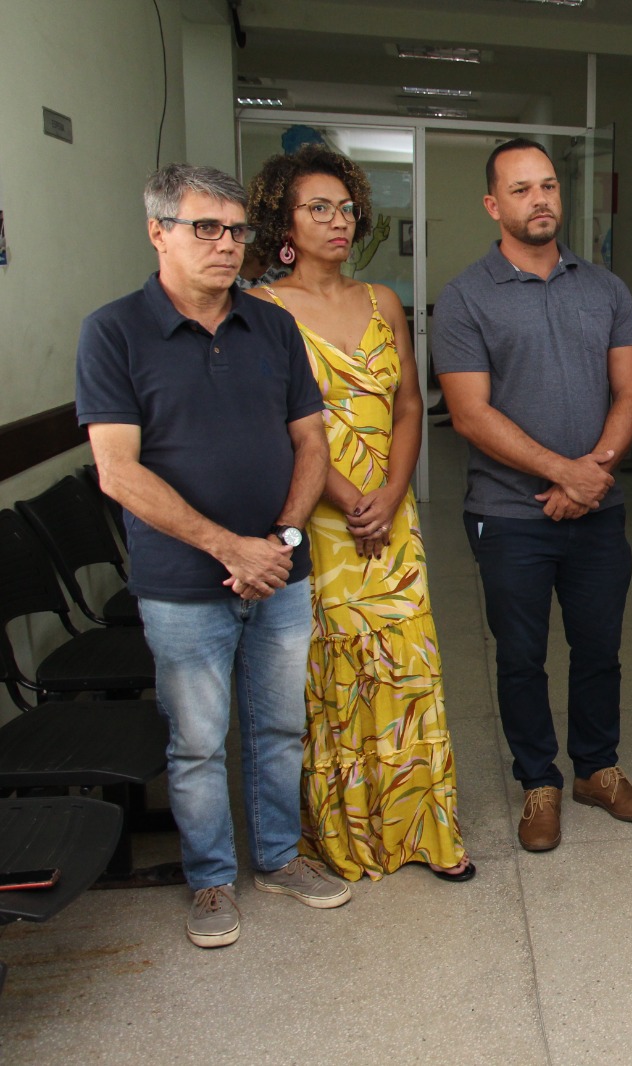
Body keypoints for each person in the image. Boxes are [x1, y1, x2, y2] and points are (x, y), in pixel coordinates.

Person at [76, 164, 349, 949]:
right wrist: (231, 548)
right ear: (157, 232)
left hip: (280, 574)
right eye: (206, 228)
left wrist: (282, 540)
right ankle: (209, 881)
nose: (227, 244)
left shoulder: (271, 327)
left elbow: (311, 442)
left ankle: (279, 859)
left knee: (280, 728)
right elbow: (118, 471)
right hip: (181, 585)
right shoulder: (115, 331)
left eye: (236, 230)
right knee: (197, 743)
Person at [244, 145, 471, 883]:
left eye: (346, 209)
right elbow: (272, 423)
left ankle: (422, 831)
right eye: (318, 208)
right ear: (283, 222)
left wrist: (394, 491)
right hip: (318, 515)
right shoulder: (262, 309)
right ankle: (346, 835)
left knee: (406, 666)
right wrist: (345, 498)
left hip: (391, 514)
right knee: (338, 670)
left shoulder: (381, 302)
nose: (338, 221)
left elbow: (407, 404)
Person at [433, 138, 632, 853]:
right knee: (520, 656)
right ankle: (539, 781)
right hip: (508, 515)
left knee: (599, 648)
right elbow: (469, 414)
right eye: (522, 189)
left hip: (598, 510)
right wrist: (566, 473)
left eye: (549, 186)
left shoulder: (607, 289)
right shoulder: (465, 297)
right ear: (492, 204)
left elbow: (631, 393)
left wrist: (593, 476)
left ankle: (596, 769)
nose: (540, 200)